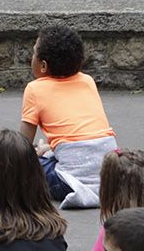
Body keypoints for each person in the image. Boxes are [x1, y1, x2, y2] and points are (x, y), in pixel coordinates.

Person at [20, 22, 116, 208]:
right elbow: (80, 133)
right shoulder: (87, 81)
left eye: (34, 53)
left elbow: (21, 147)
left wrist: (36, 152)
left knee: (25, 167)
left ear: (43, 66)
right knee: (50, 153)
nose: (31, 57)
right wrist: (50, 147)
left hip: (66, 182)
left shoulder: (34, 89)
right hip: (109, 177)